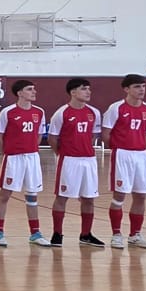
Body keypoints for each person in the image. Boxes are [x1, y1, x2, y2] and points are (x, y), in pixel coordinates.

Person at [102, 73, 146, 250]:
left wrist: (138, 145)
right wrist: (119, 147)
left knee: (141, 195)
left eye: (143, 86)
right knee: (119, 195)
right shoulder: (116, 108)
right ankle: (116, 234)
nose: (141, 89)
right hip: (121, 154)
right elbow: (106, 134)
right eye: (137, 86)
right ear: (126, 89)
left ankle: (135, 235)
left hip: (141, 155)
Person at [49, 78, 104, 249]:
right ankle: (57, 234)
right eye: (84, 89)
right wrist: (63, 153)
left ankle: (86, 234)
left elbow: (93, 135)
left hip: (89, 160)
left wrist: (84, 148)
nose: (88, 92)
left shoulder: (94, 112)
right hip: (69, 160)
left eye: (89, 89)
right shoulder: (61, 113)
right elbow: (52, 139)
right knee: (62, 196)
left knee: (89, 198)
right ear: (73, 92)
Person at [0, 79, 49, 247]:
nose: (34, 92)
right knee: (5, 194)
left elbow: (39, 135)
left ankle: (35, 233)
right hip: (13, 158)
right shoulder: (8, 112)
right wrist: (6, 154)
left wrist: (31, 149)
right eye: (29, 89)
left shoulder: (39, 112)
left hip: (32, 158)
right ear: (19, 93)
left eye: (34, 89)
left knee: (32, 195)